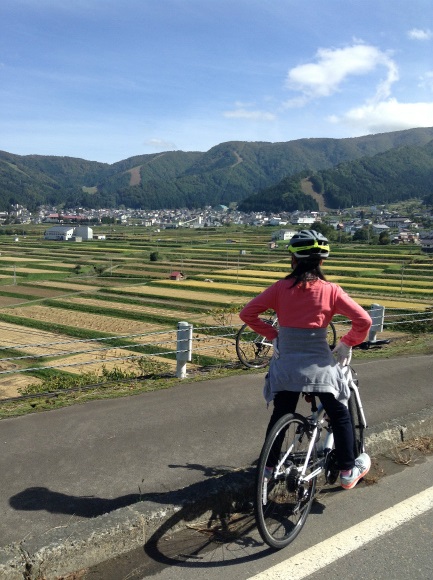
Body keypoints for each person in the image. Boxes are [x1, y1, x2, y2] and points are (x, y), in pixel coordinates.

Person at [239, 229, 372, 490]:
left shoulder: (279, 289)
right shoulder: (331, 291)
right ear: (321, 262)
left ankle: (267, 468)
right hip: (320, 369)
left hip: (286, 367)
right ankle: (347, 470)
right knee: (340, 415)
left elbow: (248, 314)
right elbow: (364, 320)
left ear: (293, 260)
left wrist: (274, 334)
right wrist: (347, 342)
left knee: (281, 413)